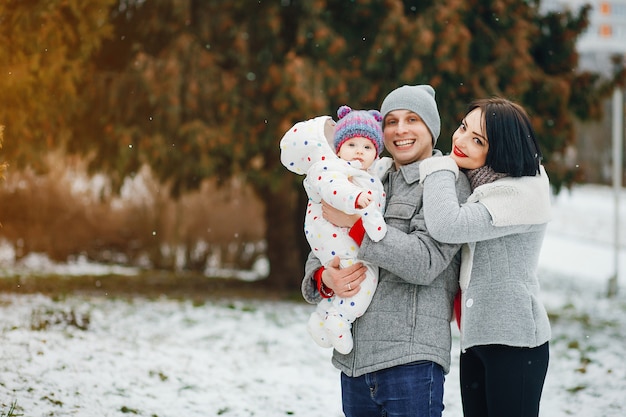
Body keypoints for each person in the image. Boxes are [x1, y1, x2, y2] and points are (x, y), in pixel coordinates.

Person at [301, 85, 471, 417]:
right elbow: (322, 240)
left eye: (412, 119)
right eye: (391, 121)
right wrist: (325, 278)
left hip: (411, 362)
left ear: (431, 128)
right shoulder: (362, 173)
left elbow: (425, 261)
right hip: (354, 363)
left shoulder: (445, 182)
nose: (400, 129)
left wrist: (355, 224)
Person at [418, 97, 552, 417]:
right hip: (476, 337)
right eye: (463, 127)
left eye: (477, 140)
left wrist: (438, 166)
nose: (461, 140)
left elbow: (447, 225)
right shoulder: (482, 182)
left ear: (500, 149)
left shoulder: (521, 193)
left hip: (514, 341)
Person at [280, 105, 391, 354]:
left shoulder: (369, 172)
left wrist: (353, 220)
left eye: (367, 147)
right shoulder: (332, 169)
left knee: (354, 275)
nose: (359, 152)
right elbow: (335, 189)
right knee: (365, 279)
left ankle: (322, 317)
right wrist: (355, 200)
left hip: (344, 242)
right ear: (338, 148)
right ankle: (340, 318)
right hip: (339, 244)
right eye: (352, 145)